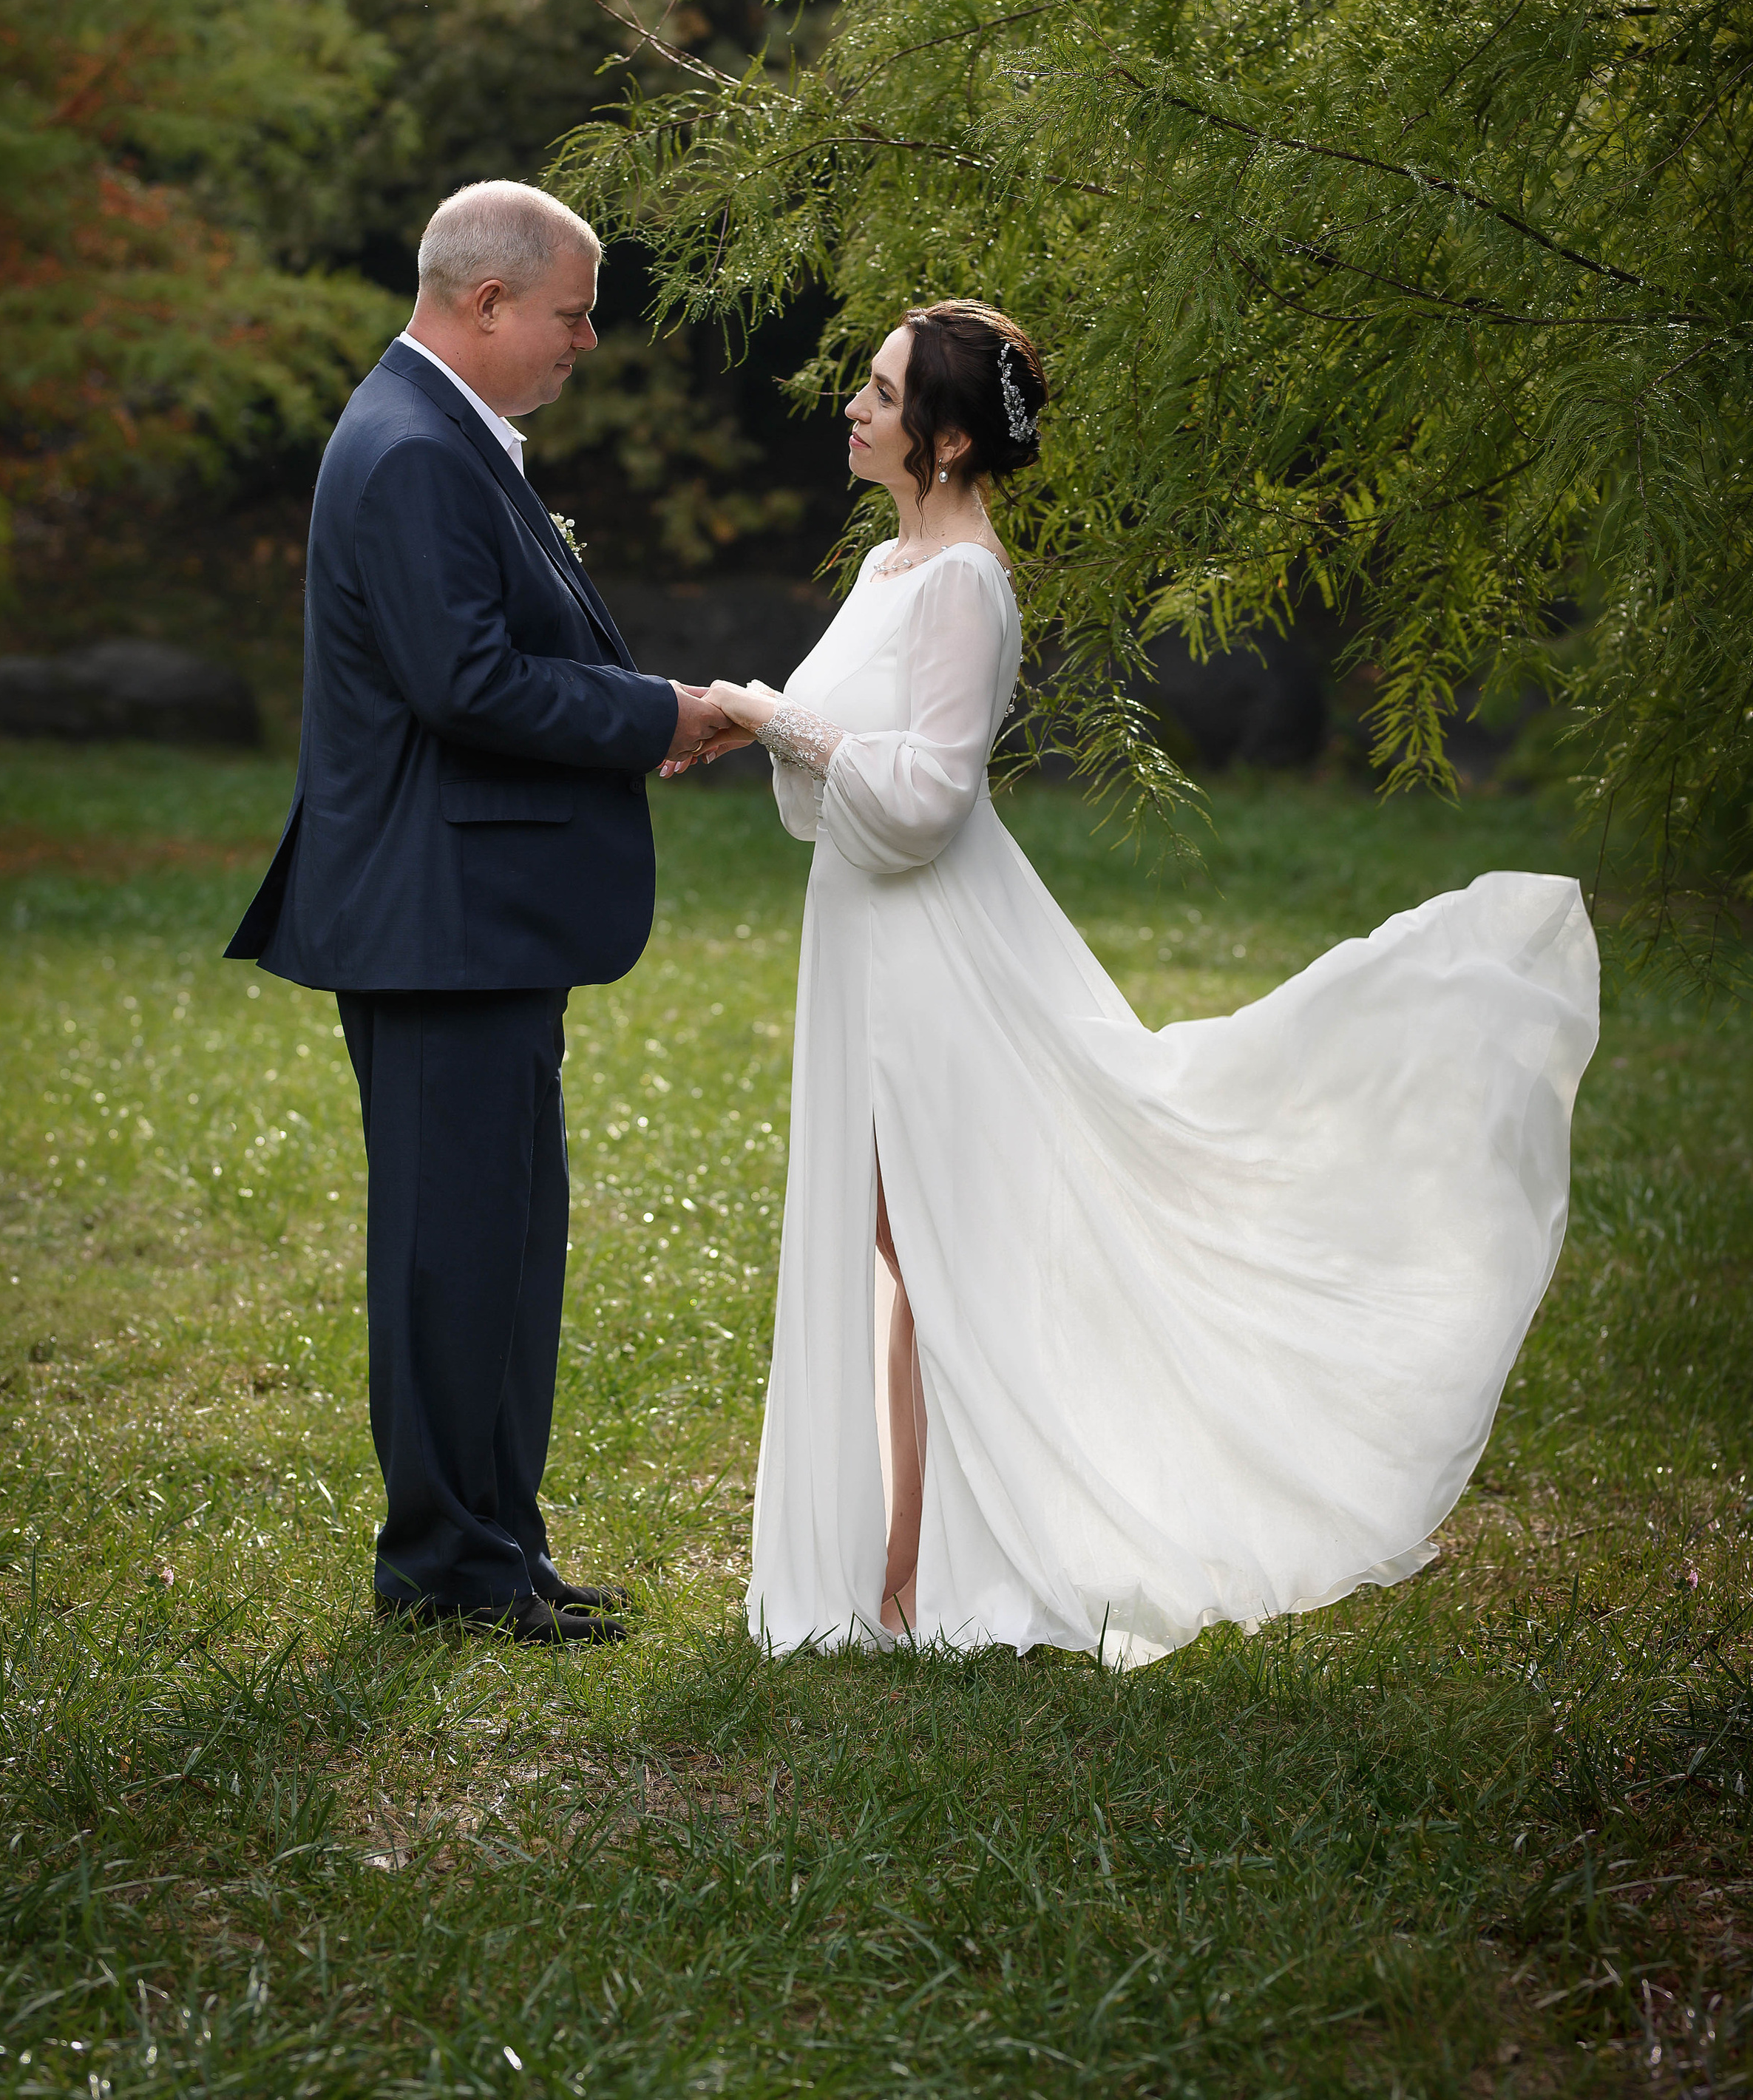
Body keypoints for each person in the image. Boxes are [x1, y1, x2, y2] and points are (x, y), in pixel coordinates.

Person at [674, 298, 1599, 1665]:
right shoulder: (885, 571)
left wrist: (764, 712)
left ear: (939, 442)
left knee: (925, 1241)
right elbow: (850, 771)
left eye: (878, 395)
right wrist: (762, 725)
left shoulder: (970, 583)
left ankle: (925, 1576)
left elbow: (926, 800)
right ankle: (901, 1567)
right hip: (867, 939)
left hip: (938, 955)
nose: (854, 411)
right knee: (900, 1244)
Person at [227, 180, 729, 1644]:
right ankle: (445, 1567)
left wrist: (652, 717)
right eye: (572, 312)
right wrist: (662, 710)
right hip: (434, 917)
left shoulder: (443, 435)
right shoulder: (408, 451)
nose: (587, 339)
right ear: (486, 301)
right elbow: (469, 683)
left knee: (504, 1245)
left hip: (473, 914)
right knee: (454, 1252)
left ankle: (497, 1544)